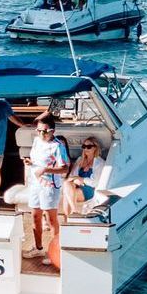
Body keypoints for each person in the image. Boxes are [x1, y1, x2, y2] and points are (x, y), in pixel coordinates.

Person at [26, 114, 70, 268]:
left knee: (51, 220)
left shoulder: (58, 146)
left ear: (53, 131)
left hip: (49, 186)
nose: (41, 134)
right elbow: (36, 160)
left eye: (45, 131)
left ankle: (55, 254)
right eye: (39, 131)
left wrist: (45, 168)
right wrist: (30, 162)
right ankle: (38, 248)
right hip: (35, 184)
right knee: (35, 217)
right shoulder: (37, 141)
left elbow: (65, 168)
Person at [63, 137, 107, 216]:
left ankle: (70, 217)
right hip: (76, 187)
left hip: (90, 189)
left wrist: (80, 179)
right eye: (84, 146)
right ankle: (73, 211)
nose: (86, 149)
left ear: (95, 148)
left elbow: (95, 183)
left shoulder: (99, 162)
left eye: (89, 147)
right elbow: (71, 177)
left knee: (67, 194)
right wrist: (76, 180)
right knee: (66, 186)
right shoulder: (80, 160)